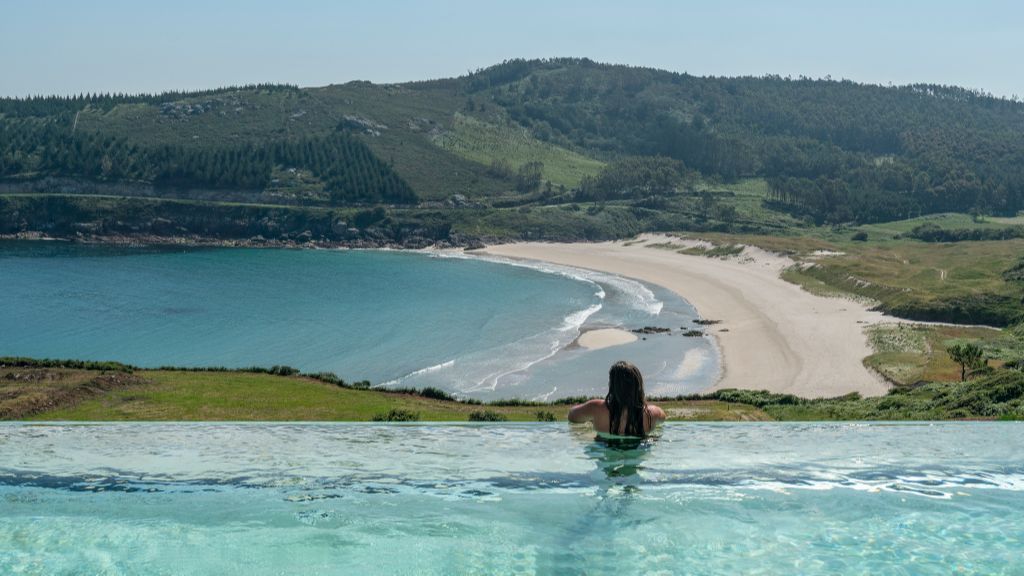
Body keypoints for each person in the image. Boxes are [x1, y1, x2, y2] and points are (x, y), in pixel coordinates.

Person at [568, 361, 666, 438]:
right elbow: (663, 419)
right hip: (639, 451)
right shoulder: (652, 413)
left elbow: (572, 416)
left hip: (605, 451)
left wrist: (591, 418)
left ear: (612, 386)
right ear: (638, 386)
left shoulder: (596, 408)